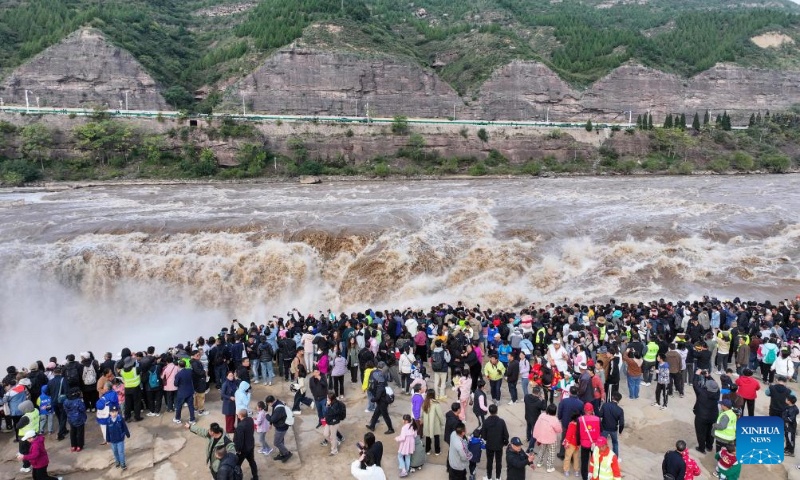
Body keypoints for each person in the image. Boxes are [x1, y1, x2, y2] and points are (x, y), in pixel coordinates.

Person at [692, 369, 720, 454]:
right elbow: (716, 385)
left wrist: (697, 375)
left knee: (701, 432)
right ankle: (709, 446)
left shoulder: (702, 393)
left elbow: (695, 385)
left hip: (701, 416)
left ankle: (701, 448)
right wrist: (709, 376)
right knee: (710, 432)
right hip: (713, 416)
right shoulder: (717, 393)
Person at [480, 404, 509, 480]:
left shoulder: (486, 422)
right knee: (498, 461)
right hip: (499, 445)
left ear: (489, 411)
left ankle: (489, 477)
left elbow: (483, 435)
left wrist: (486, 439)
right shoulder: (501, 422)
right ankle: (498, 477)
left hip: (489, 445)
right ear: (497, 411)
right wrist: (505, 442)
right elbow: (506, 434)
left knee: (489, 461)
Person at [532, 403, 562, 472]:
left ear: (547, 410)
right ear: (555, 411)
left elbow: (538, 424)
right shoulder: (555, 419)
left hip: (542, 437)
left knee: (542, 450)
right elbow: (559, 430)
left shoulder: (542, 415)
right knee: (551, 453)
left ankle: (539, 462)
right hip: (551, 439)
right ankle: (549, 467)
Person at [264, 395, 294, 462]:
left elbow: (272, 418)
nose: (268, 405)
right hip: (281, 426)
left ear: (270, 402)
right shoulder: (276, 403)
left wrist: (266, 414)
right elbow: (273, 415)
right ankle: (282, 454)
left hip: (281, 428)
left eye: (268, 404)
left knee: (277, 442)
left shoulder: (278, 408)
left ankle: (287, 453)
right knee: (280, 441)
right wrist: (270, 424)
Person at [577, 402, 601, 480]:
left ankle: (585, 477)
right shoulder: (597, 419)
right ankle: (595, 475)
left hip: (584, 444)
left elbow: (578, 433)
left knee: (584, 461)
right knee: (595, 460)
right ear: (592, 410)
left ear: (584, 410)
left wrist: (578, 443)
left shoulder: (580, 419)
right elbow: (601, 431)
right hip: (595, 444)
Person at [599, 391, 624, 459]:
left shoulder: (605, 405)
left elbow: (600, 415)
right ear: (619, 400)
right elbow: (621, 423)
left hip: (604, 428)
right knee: (615, 443)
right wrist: (620, 431)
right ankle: (615, 458)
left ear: (612, 397)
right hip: (613, 429)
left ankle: (601, 456)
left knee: (602, 443)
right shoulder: (620, 410)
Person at [234, 408, 258, 480]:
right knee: (252, 461)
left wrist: (238, 450)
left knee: (237, 465)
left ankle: (238, 478)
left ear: (240, 415)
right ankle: (255, 477)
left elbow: (239, 440)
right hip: (250, 445)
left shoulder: (240, 426)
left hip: (243, 449)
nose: (237, 415)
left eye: (238, 414)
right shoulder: (250, 420)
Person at [105, 405, 130, 470]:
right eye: (112, 412)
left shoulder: (120, 419)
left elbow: (124, 427)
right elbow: (107, 431)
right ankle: (117, 462)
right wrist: (107, 440)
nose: (114, 413)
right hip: (113, 441)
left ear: (117, 412)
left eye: (115, 412)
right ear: (110, 413)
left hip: (120, 439)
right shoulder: (108, 421)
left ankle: (123, 464)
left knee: (121, 452)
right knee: (115, 452)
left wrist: (127, 434)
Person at [420, 390, 444, 455]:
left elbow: (421, 414)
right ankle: (437, 451)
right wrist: (443, 422)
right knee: (436, 437)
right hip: (435, 424)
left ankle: (427, 450)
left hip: (427, 423)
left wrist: (421, 419)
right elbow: (440, 415)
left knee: (427, 437)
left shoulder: (424, 403)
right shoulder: (436, 404)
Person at [323, 391, 346, 456]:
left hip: (334, 423)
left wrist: (328, 406)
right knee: (325, 434)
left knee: (333, 437)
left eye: (328, 398)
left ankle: (334, 450)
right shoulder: (329, 403)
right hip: (328, 421)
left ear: (331, 399)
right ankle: (336, 442)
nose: (326, 399)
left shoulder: (336, 405)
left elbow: (328, 412)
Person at [120, 357, 143, 422]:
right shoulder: (136, 369)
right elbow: (142, 367)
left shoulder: (122, 371)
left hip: (127, 388)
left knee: (128, 404)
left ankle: (127, 417)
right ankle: (137, 417)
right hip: (136, 388)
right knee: (137, 403)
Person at [63, 387, 87, 452]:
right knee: (80, 433)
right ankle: (79, 446)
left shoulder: (66, 401)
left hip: (70, 419)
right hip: (79, 419)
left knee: (72, 432)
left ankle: (73, 446)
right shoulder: (78, 401)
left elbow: (65, 409)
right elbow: (82, 409)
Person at [523, 386, 546, 452]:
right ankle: (530, 448)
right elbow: (544, 408)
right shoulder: (538, 402)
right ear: (538, 393)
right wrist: (543, 399)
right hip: (535, 419)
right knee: (535, 433)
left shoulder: (526, 397)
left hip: (527, 416)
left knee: (528, 427)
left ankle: (528, 438)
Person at [173, 360, 196, 425]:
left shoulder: (178, 374)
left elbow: (175, 384)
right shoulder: (189, 371)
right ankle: (192, 419)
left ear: (178, 366)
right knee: (191, 406)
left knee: (179, 406)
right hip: (190, 391)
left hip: (182, 392)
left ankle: (177, 418)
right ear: (185, 365)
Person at [562, 411, 581, 477]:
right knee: (576, 458)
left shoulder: (571, 424)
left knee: (567, 457)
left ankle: (566, 470)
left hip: (570, 443)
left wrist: (566, 442)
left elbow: (568, 435)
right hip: (577, 444)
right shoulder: (580, 424)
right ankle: (576, 470)